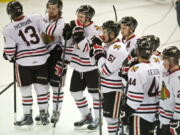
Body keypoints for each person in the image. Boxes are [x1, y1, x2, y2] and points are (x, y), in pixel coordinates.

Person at [3, 1, 50, 126]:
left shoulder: (8, 29)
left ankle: (28, 117)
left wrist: (7, 55)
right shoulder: (35, 17)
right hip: (42, 59)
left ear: (9, 13)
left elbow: (10, 51)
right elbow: (48, 31)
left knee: (25, 90)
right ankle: (44, 115)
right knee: (40, 88)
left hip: (24, 63)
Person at [63, 5, 102, 130]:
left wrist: (79, 37)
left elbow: (86, 49)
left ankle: (98, 119)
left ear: (88, 18)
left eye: (81, 17)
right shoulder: (74, 25)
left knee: (95, 95)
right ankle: (86, 115)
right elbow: (68, 45)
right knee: (75, 92)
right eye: (78, 16)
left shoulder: (96, 30)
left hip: (91, 68)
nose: (78, 19)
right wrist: (67, 36)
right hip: (78, 66)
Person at [91, 20, 128, 135]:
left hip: (114, 90)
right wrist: (94, 49)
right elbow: (93, 62)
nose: (102, 34)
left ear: (112, 34)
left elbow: (105, 70)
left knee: (112, 119)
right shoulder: (108, 45)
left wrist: (98, 50)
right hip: (106, 88)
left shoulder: (117, 48)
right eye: (102, 31)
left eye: (105, 32)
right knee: (110, 119)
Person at [35, 0, 68, 125]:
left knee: (56, 86)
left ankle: (56, 111)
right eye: (49, 8)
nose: (51, 11)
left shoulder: (62, 22)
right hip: (42, 55)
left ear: (59, 9)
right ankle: (44, 111)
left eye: (54, 8)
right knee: (43, 85)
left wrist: (43, 26)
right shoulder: (43, 18)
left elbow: (54, 32)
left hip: (57, 55)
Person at [125, 36, 161, 135]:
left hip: (140, 115)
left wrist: (125, 112)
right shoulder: (158, 67)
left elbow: (135, 100)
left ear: (138, 50)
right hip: (154, 114)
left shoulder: (135, 70)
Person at [158, 46, 180, 135]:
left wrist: (176, 119)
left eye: (165, 60)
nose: (163, 62)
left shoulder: (177, 78)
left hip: (172, 123)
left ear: (171, 61)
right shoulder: (167, 73)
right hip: (163, 120)